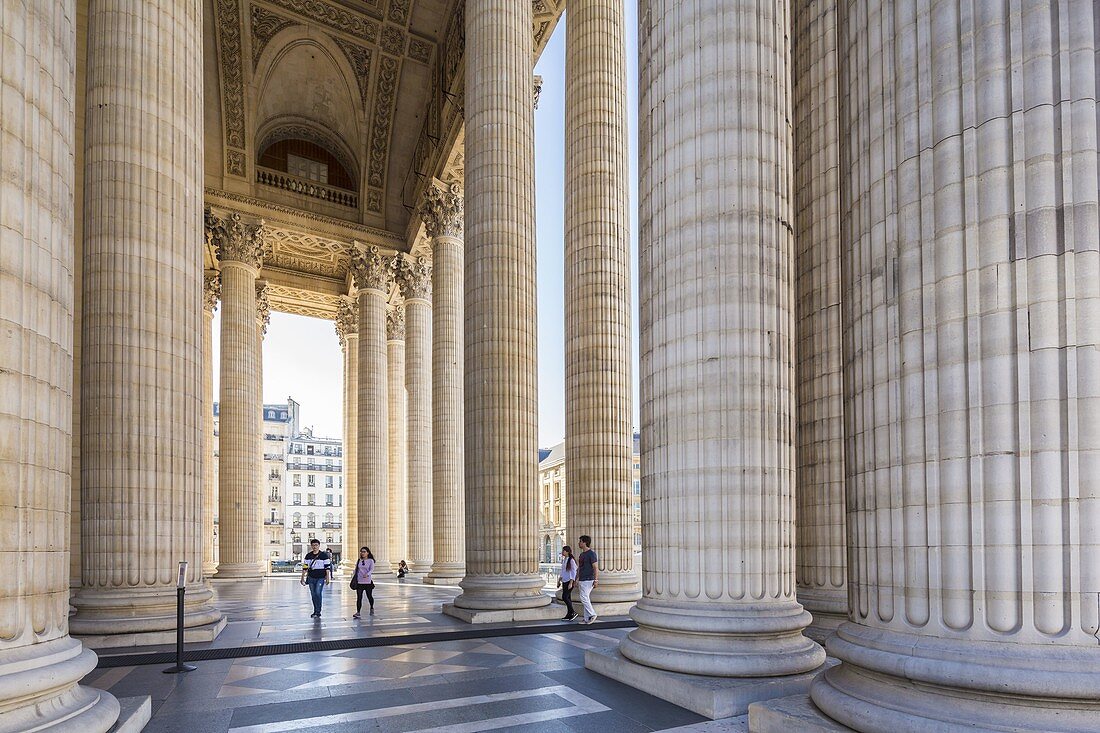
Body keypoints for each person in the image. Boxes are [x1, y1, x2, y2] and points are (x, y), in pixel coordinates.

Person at [299, 539, 332, 618]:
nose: (314, 547)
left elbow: (327, 567)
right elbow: (305, 567)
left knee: (318, 592)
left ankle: (318, 611)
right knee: (313, 594)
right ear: (311, 546)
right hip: (311, 577)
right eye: (313, 545)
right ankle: (315, 610)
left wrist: (327, 578)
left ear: (319, 546)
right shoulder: (308, 555)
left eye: (316, 545)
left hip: (320, 577)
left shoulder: (324, 555)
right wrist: (302, 578)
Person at [576, 535, 599, 624]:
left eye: (580, 541)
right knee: (586, 598)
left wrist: (596, 580)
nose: (579, 543)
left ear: (584, 543)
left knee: (583, 597)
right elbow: (579, 568)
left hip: (589, 579)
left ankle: (592, 614)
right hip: (582, 579)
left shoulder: (591, 554)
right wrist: (577, 578)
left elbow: (595, 567)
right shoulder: (581, 554)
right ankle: (586, 618)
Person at [352, 546, 376, 618]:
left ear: (368, 553)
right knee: (359, 597)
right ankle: (358, 612)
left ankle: (371, 607)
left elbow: (371, 569)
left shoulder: (370, 561)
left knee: (369, 596)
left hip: (367, 581)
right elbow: (356, 569)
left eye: (364, 552)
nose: (362, 553)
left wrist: (367, 574)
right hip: (359, 581)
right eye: (361, 551)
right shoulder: (359, 560)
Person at [557, 545, 578, 621]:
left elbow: (574, 571)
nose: (562, 552)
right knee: (568, 597)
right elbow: (563, 571)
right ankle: (569, 614)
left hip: (569, 581)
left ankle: (573, 612)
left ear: (567, 552)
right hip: (564, 580)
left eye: (563, 551)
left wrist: (571, 582)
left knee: (564, 597)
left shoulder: (571, 560)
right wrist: (559, 580)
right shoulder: (565, 559)